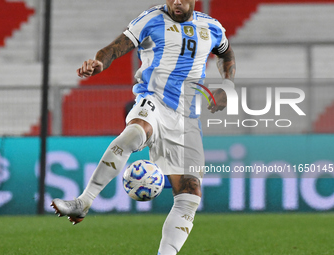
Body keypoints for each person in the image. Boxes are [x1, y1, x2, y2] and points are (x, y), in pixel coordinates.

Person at [51, 0, 236, 254]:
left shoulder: (212, 27)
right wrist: (99, 63)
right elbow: (116, 48)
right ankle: (84, 201)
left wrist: (227, 86)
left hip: (187, 118)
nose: (176, 2)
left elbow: (226, 53)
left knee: (190, 192)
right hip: (154, 100)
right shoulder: (151, 19)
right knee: (137, 131)